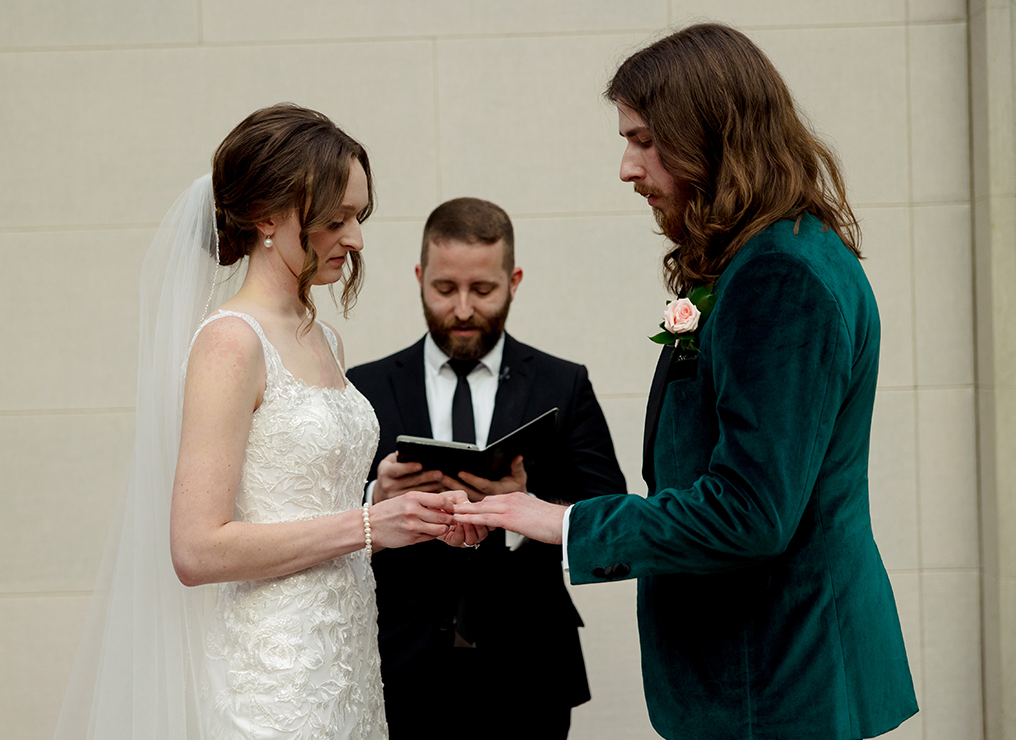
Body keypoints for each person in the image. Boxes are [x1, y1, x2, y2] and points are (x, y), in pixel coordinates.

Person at [454, 24, 919, 740]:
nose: (626, 168)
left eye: (643, 141)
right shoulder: (767, 256)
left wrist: (564, 522)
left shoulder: (778, 276)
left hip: (775, 677)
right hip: (770, 672)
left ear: (708, 134)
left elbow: (749, 513)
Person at [53, 104, 484, 740]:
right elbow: (197, 550)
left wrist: (396, 508)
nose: (356, 239)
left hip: (348, 665)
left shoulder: (324, 338)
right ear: (266, 217)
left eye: (359, 217)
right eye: (334, 219)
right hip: (274, 679)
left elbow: (299, 506)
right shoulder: (231, 343)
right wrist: (369, 524)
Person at [346, 197, 626, 740]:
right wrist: (375, 496)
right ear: (419, 278)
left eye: (482, 289)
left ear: (513, 281)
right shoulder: (366, 385)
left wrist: (527, 510)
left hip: (530, 669)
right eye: (444, 288)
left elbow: (607, 513)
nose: (463, 310)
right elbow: (321, 516)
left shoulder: (563, 383)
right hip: (398, 665)